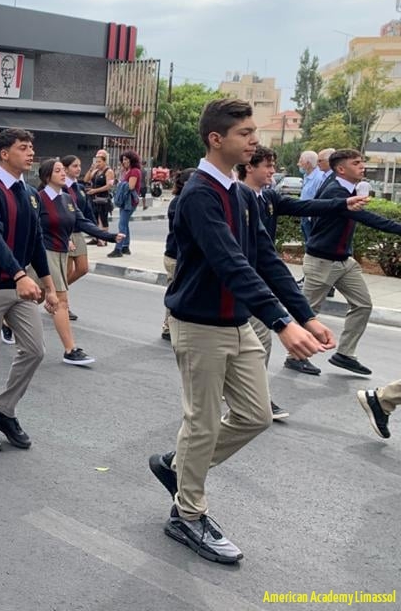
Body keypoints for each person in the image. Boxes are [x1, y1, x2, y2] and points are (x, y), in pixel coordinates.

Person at [150, 98, 335, 565]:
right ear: (217, 139)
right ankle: (187, 515)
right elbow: (230, 263)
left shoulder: (242, 195)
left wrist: (306, 316)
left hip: (237, 325)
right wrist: (281, 323)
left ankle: (179, 465)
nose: (255, 140)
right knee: (202, 421)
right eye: (246, 133)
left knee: (255, 415)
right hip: (200, 326)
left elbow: (265, 260)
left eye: (254, 132)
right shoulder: (198, 195)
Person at [237, 145, 368, 415]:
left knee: (252, 342)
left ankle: (246, 395)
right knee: (258, 341)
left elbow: (305, 205)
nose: (273, 171)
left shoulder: (268, 197)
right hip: (242, 281)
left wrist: (343, 204)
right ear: (249, 167)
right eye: (268, 166)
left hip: (261, 278)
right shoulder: (235, 198)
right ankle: (252, 399)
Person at [0, 128, 60, 452]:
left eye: (31, 147)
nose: (31, 152)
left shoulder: (30, 194)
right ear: (4, 154)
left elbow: (35, 241)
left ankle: (3, 411)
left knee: (35, 350)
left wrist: (50, 287)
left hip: (21, 288)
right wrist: (20, 275)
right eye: (23, 147)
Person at [300, 148, 401, 376]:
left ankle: (345, 354)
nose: (362, 166)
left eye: (362, 162)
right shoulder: (336, 192)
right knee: (307, 311)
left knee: (363, 305)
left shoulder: (348, 189)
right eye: (356, 163)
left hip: (343, 261)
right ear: (341, 169)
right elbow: (369, 218)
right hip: (322, 261)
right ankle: (296, 356)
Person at [36, 158, 121, 366]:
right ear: (47, 176)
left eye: (62, 170)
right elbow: (31, 227)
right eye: (58, 171)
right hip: (44, 253)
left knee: (36, 296)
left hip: (60, 253)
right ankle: (70, 350)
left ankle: (6, 320)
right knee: (60, 301)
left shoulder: (67, 199)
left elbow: (82, 222)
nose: (63, 173)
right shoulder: (38, 199)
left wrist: (109, 236)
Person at [161, 168, 196, 341]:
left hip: (183, 255)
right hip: (175, 255)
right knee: (176, 291)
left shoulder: (189, 200)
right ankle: (168, 327)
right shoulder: (178, 202)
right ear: (185, 183)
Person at [59, 154, 94, 318]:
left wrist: (96, 231)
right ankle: (62, 304)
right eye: (74, 166)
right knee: (66, 272)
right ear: (65, 169)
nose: (78, 169)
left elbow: (87, 210)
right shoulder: (59, 188)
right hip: (64, 232)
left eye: (79, 166)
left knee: (82, 268)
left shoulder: (79, 188)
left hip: (78, 232)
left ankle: (55, 290)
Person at [108, 150, 141, 258]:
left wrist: (120, 184)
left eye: (126, 159)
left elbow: (131, 186)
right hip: (125, 201)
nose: (124, 161)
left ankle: (118, 248)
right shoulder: (127, 171)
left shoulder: (134, 171)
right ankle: (125, 246)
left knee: (122, 224)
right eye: (123, 159)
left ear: (132, 160)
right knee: (124, 223)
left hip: (129, 202)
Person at [85, 149, 115, 247]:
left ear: (104, 161)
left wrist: (95, 190)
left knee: (102, 218)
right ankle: (96, 237)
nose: (98, 164)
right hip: (93, 198)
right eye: (96, 161)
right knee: (94, 218)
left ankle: (104, 239)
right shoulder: (96, 171)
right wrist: (91, 169)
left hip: (103, 198)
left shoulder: (108, 171)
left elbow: (109, 186)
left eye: (99, 162)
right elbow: (86, 179)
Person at [297, 149, 320, 244]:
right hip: (305, 215)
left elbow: (319, 199)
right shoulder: (307, 176)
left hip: (312, 218)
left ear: (308, 163)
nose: (298, 164)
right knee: (308, 243)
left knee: (313, 244)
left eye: (300, 161)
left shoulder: (319, 178)